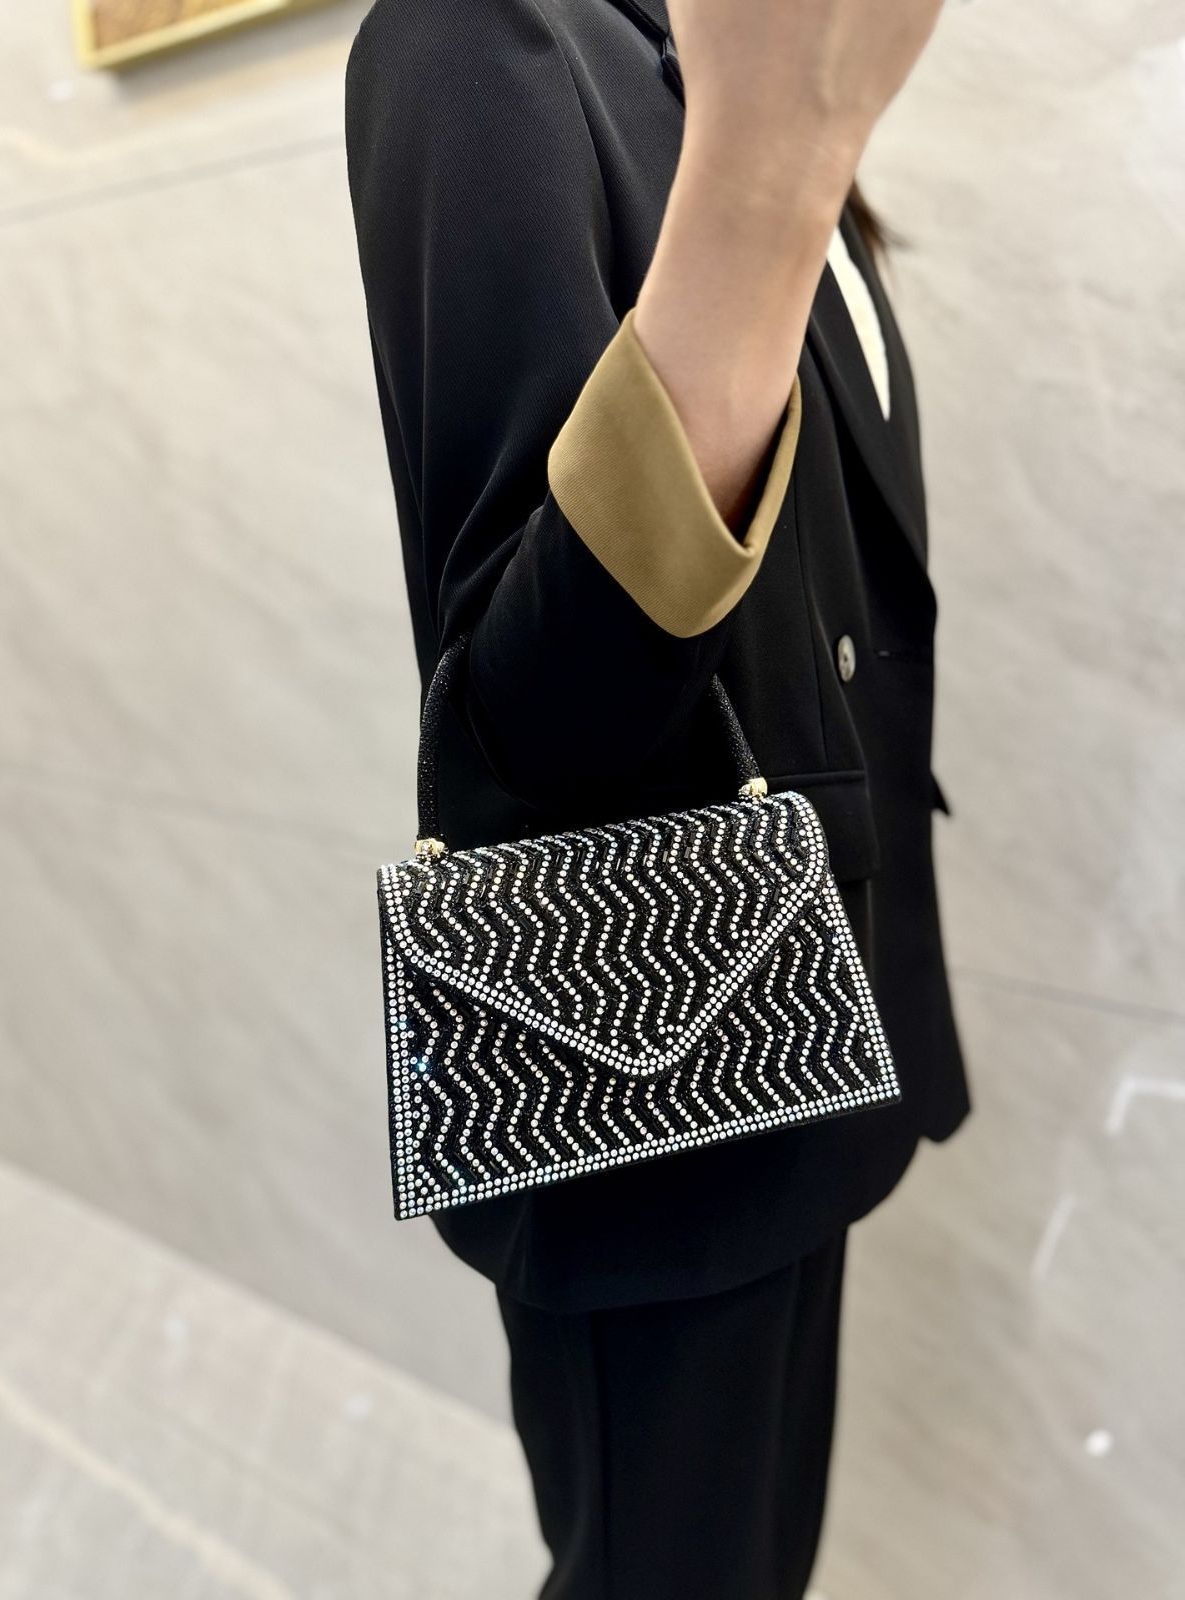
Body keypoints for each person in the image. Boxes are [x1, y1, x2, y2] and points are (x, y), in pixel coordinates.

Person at [344, 0, 971, 1594]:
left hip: (808, 1022)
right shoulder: (481, 39)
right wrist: (770, 173)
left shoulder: (746, 46)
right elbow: (529, 726)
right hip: (653, 1076)